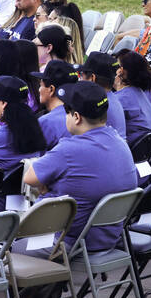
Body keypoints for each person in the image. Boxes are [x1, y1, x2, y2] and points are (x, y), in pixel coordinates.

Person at [24, 81, 140, 253]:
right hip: (108, 239)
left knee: (1, 251)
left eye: (65, 112)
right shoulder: (120, 142)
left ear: (76, 117)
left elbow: (29, 178)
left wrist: (47, 187)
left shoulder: (68, 150)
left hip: (67, 243)